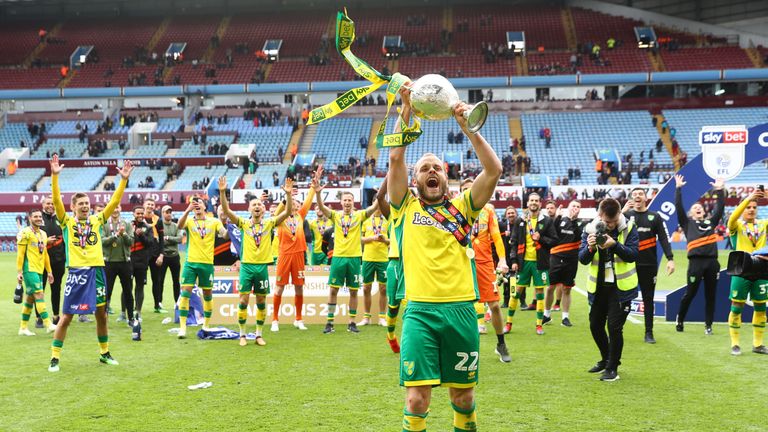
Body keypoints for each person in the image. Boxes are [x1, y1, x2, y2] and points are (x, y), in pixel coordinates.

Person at [390, 83, 501, 431]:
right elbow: (395, 157)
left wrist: (469, 127)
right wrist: (405, 109)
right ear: (415, 179)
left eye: (437, 167)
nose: (431, 171)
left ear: (447, 177)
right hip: (420, 311)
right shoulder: (404, 207)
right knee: (416, 398)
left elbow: (494, 170)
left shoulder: (464, 206)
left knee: (463, 398)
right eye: (424, 168)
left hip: (461, 310)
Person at [47, 155, 133, 372]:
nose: (85, 206)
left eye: (87, 203)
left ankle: (104, 353)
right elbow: (56, 201)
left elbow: (114, 202)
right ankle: (55, 358)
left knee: (101, 314)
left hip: (97, 272)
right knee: (66, 317)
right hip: (76, 273)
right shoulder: (66, 221)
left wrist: (123, 180)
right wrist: (55, 176)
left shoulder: (96, 220)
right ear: (73, 207)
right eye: (81, 204)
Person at [219, 176, 292, 346]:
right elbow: (227, 211)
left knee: (260, 301)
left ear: (264, 209)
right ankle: (243, 334)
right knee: (243, 300)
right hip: (246, 267)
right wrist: (223, 192)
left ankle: (258, 335)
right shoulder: (243, 223)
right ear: (249, 209)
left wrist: (288, 195)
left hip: (261, 268)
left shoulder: (269, 223)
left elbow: (287, 212)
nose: (257, 206)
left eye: (260, 204)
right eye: (254, 205)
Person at [579, 198, 639, 382]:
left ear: (620, 214)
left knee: (614, 327)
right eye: (606, 222)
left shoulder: (629, 228)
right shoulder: (590, 229)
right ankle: (606, 359)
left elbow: (633, 255)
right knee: (595, 325)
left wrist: (615, 245)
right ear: (599, 216)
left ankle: (613, 367)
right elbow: (582, 259)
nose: (610, 225)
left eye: (613, 221)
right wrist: (589, 248)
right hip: (598, 287)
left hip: (621, 288)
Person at [314, 167, 378, 334]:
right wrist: (318, 193)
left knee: (354, 291)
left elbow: (373, 208)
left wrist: (381, 195)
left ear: (353, 202)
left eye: (350, 200)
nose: (348, 203)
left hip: (355, 258)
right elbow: (321, 206)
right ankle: (329, 322)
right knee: (333, 289)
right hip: (339, 258)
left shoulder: (359, 216)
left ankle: (351, 322)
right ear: (341, 202)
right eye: (345, 200)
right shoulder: (335, 215)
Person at [460, 178, 510, 362]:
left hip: (484, 263)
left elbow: (496, 237)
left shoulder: (487, 210)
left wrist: (502, 259)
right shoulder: (455, 211)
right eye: (464, 190)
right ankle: (462, 346)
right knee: (461, 306)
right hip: (461, 263)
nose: (467, 192)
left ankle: (501, 343)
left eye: (470, 189)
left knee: (495, 305)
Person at [674, 175, 724, 338]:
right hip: (695, 264)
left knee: (711, 295)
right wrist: (678, 188)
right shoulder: (687, 223)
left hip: (712, 263)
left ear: (703, 211)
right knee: (690, 293)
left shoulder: (711, 222)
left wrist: (719, 190)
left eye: (700, 207)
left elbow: (719, 208)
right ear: (691, 212)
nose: (698, 208)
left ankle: (708, 325)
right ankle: (680, 319)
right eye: (695, 207)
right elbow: (679, 208)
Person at [623, 188, 675, 344]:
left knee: (648, 299)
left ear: (645, 198)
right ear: (631, 198)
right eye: (635, 194)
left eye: (640, 194)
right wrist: (622, 212)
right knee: (624, 297)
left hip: (649, 265)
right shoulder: (626, 216)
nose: (637, 196)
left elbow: (664, 239)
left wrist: (670, 258)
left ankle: (649, 333)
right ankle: (617, 329)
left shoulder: (655, 217)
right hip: (628, 265)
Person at [176, 196, 229, 339]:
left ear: (205, 206)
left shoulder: (214, 221)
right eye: (194, 203)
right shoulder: (189, 220)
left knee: (207, 294)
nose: (196, 205)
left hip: (207, 264)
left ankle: (206, 324)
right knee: (185, 293)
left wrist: (229, 228)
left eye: (199, 202)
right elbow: (178, 226)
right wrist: (187, 210)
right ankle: (182, 328)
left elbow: (224, 235)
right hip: (191, 263)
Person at [505, 193, 557, 335]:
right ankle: (508, 323)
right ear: (527, 203)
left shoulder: (546, 221)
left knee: (540, 293)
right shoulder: (520, 221)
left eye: (536, 201)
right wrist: (514, 260)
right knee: (515, 293)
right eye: (531, 200)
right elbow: (514, 243)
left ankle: (539, 325)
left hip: (540, 264)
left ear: (540, 203)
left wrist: (541, 239)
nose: (533, 203)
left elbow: (554, 240)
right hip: (523, 263)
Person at [726, 189, 768, 355]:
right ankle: (735, 344)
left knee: (761, 307)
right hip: (742, 269)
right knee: (737, 306)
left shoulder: (763, 224)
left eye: (754, 207)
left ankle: (757, 344)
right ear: (742, 208)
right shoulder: (736, 226)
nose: (751, 209)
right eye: (748, 207)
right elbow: (731, 218)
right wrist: (748, 198)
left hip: (762, 269)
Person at [270, 184, 316, 332]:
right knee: (279, 288)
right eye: (292, 202)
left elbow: (308, 201)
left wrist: (313, 187)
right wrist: (286, 198)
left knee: (299, 287)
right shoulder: (281, 218)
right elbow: (275, 214)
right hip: (284, 255)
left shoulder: (300, 216)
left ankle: (298, 319)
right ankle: (275, 320)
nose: (295, 204)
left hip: (299, 255)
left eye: (297, 203)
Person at [17, 209, 57, 336]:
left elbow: (45, 254)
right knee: (39, 295)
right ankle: (48, 324)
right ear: (30, 218)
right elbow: (20, 254)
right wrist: (19, 272)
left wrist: (49, 272)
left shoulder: (43, 234)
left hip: (39, 270)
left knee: (30, 299)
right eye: (35, 216)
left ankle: (23, 328)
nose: (39, 218)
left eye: (40, 216)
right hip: (29, 270)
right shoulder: (25, 233)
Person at [546, 201, 582, 327]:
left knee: (567, 288)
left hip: (571, 260)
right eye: (573, 206)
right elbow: (552, 232)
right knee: (550, 287)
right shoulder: (561, 220)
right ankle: (546, 315)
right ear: (568, 207)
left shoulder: (580, 223)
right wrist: (558, 217)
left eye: (578, 207)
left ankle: (565, 318)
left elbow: (578, 237)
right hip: (556, 257)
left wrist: (573, 221)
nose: (575, 208)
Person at [101, 205, 134, 323]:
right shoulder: (104, 224)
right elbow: (102, 241)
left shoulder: (127, 223)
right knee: (107, 292)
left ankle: (131, 318)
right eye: (113, 208)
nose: (115, 210)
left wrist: (123, 234)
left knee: (128, 291)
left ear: (121, 209)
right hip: (109, 263)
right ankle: (103, 319)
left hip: (125, 263)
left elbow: (131, 242)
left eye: (117, 207)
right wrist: (115, 235)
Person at [360, 206, 389, 327]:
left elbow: (392, 241)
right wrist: (371, 238)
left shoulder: (388, 221)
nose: (378, 208)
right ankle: (366, 317)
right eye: (376, 206)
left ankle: (382, 317)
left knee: (383, 288)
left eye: (380, 206)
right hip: (368, 258)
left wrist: (384, 240)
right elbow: (359, 239)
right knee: (366, 288)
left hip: (383, 258)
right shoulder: (365, 220)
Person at [41, 196, 66, 326]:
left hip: (58, 261)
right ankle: (40, 317)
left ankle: (56, 316)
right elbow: (31, 239)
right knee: (40, 289)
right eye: (48, 203)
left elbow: (66, 240)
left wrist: (66, 260)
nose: (50, 205)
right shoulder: (38, 219)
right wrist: (45, 241)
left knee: (56, 289)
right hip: (42, 261)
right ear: (43, 205)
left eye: (52, 203)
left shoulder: (60, 219)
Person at [127, 206, 152, 325]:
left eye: (142, 213)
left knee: (140, 287)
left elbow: (150, 244)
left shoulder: (148, 227)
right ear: (133, 214)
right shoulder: (128, 226)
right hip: (129, 261)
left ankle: (138, 312)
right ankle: (124, 312)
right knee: (127, 287)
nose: (140, 215)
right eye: (138, 213)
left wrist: (142, 235)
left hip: (142, 262)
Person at [143, 199, 166, 314]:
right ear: (144, 205)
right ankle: (137, 307)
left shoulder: (158, 220)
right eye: (148, 204)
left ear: (154, 206)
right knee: (139, 281)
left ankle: (157, 305)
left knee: (156, 280)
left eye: (152, 204)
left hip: (155, 253)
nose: (150, 206)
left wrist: (161, 255)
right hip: (142, 254)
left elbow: (161, 239)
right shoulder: (139, 218)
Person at [160, 206, 183, 303]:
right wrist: (171, 239)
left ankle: (177, 302)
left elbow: (180, 239)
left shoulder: (176, 226)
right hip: (163, 256)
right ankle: (159, 302)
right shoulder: (160, 226)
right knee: (160, 281)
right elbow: (159, 241)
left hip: (174, 256)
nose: (169, 214)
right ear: (162, 213)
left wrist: (168, 238)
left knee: (176, 281)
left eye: (170, 212)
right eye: (166, 212)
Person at [498, 206, 518, 308]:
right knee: (506, 279)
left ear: (516, 214)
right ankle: (506, 300)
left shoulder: (519, 225)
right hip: (505, 256)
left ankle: (516, 300)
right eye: (509, 213)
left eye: (512, 213)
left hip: (516, 256)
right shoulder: (502, 225)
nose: (511, 215)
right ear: (506, 215)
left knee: (515, 279)